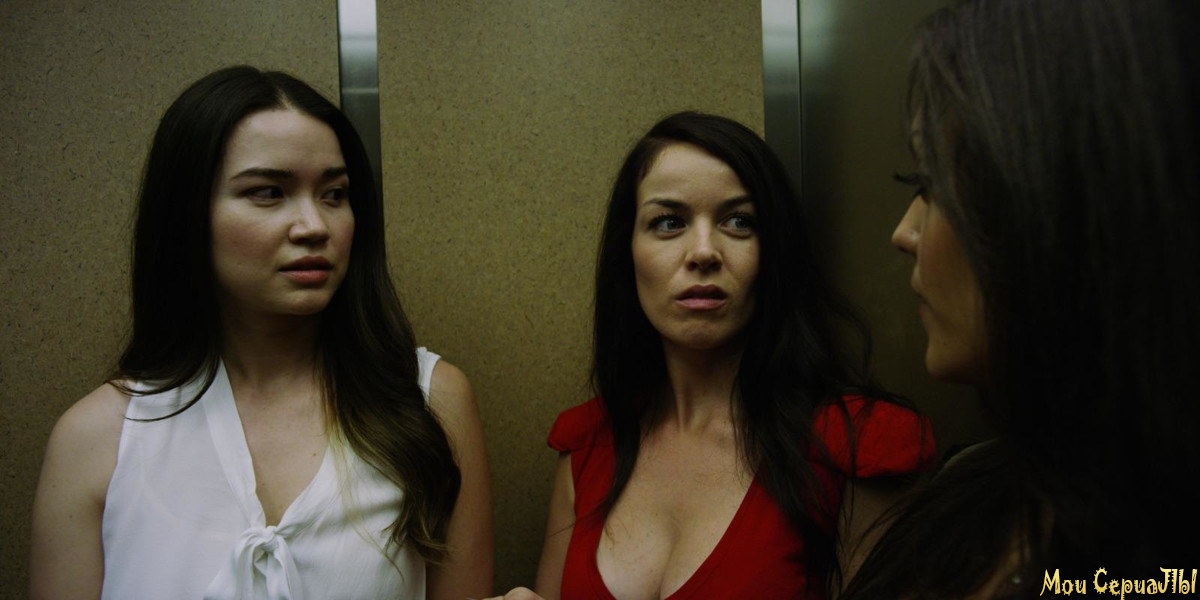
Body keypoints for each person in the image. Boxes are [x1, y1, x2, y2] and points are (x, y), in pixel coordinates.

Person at [29, 66, 493, 600]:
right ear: (187, 214)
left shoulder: (428, 403)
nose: (314, 226)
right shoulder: (98, 438)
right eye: (269, 192)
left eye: (334, 194)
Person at [493, 111, 935, 600]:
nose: (703, 252)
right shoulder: (587, 445)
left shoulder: (859, 444)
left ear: (774, 251)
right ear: (628, 252)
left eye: (739, 222)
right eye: (668, 222)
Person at [840, 1, 1200, 597]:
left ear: (1060, 196)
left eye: (931, 183)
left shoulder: (1156, 562)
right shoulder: (973, 490)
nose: (904, 232)